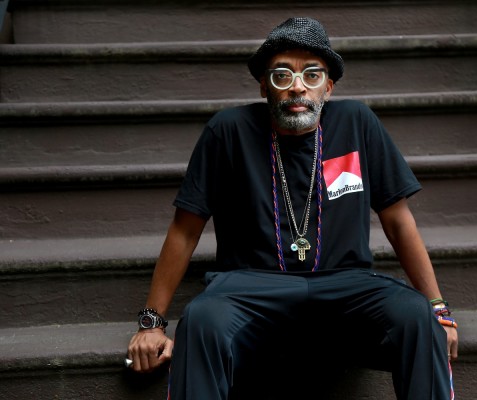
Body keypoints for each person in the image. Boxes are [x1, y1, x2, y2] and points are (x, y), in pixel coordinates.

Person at [127, 17, 458, 400]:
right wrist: (152, 323)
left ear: (328, 87)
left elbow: (398, 222)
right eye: (282, 75)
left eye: (311, 74)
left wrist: (438, 307)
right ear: (264, 86)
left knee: (417, 317)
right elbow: (185, 231)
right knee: (201, 320)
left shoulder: (357, 123)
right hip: (250, 289)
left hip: (345, 285)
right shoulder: (228, 131)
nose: (297, 86)